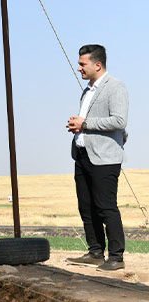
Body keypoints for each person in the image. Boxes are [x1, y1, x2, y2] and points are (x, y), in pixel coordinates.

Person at [65, 44, 128, 271]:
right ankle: (95, 252)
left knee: (106, 206)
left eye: (83, 64)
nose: (79, 68)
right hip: (82, 156)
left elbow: (120, 121)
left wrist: (86, 123)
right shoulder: (88, 91)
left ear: (97, 65)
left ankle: (116, 257)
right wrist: (78, 127)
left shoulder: (115, 87)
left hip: (105, 159)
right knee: (86, 206)